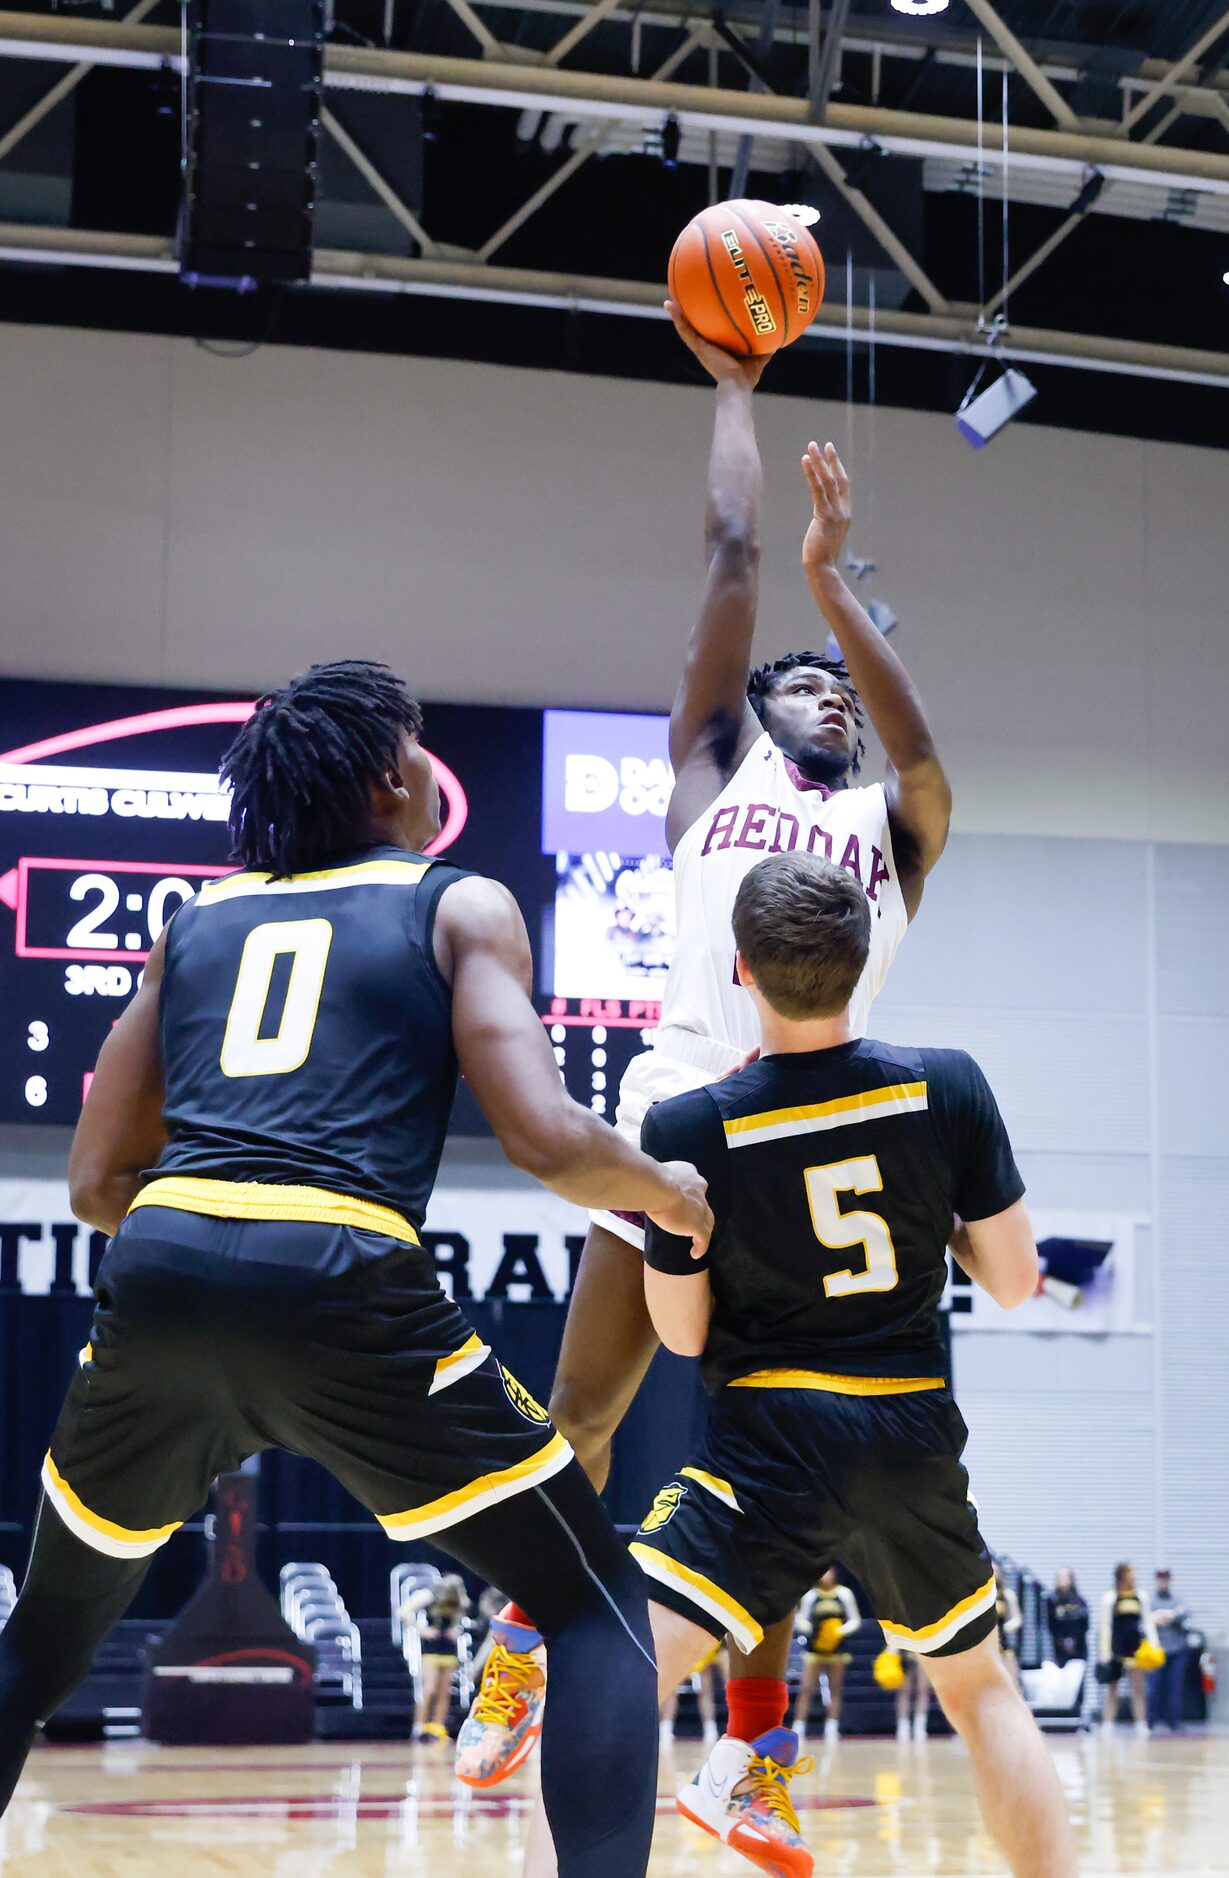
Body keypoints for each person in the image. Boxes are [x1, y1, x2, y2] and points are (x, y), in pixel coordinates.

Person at [0, 661, 708, 1876]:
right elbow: (545, 1140)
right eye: (422, 746)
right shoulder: (459, 903)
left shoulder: (193, 924)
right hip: (345, 1271)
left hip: (160, 1267)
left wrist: (207, 1262)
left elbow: (92, 1185)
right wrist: (666, 1190)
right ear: (394, 777)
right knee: (597, 1610)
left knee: (37, 1650)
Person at [461, 308, 954, 1821]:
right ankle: (519, 1633)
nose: (837, 700)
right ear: (759, 712)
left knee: (785, 1453)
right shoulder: (703, 780)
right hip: (677, 1119)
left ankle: (754, 1754)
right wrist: (735, 395)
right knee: (586, 1414)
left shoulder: (897, 830)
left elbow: (925, 750)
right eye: (811, 684)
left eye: (850, 696)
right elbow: (734, 562)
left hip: (812, 1143)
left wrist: (846, 597)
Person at [626, 850, 1074, 1878]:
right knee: (978, 1690)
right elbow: (1015, 1281)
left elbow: (683, 1334)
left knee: (628, 1673)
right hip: (908, 1429)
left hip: (770, 1437)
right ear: (865, 962)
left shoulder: (691, 1125)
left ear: (739, 971)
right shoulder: (948, 1085)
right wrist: (945, 1228)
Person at [792, 1570, 860, 1742]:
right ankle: (799, 1726)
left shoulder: (844, 1594)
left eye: (830, 1572)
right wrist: (813, 1631)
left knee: (835, 1688)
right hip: (814, 1650)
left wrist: (839, 1631)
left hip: (837, 1650)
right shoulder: (811, 1595)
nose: (827, 1576)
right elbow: (800, 1618)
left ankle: (832, 1726)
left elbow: (855, 1619)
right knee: (806, 1688)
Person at [413, 1576, 470, 1744]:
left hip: (449, 1650)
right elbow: (403, 1611)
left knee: (445, 1691)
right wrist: (422, 1630)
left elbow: (463, 1616)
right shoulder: (431, 1595)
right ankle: (419, 1726)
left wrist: (457, 1629)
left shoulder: (460, 1601)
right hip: (431, 1649)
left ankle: (438, 1727)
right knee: (429, 1688)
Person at [1098, 1564, 1151, 1735]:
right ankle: (1108, 1723)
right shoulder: (1111, 1597)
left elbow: (1147, 1622)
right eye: (1130, 1573)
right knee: (1113, 1689)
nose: (1134, 1576)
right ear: (1121, 1575)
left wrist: (1153, 1644)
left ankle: (1141, 1723)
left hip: (1135, 1647)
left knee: (1138, 1688)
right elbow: (1105, 1626)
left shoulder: (1140, 1596)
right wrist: (1105, 1651)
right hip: (1117, 1647)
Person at [1146, 1570, 1191, 1734]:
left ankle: (1174, 1721)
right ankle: (1150, 1722)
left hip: (1177, 1650)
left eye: (1165, 1579)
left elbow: (1184, 1612)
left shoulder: (1177, 1599)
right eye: (1160, 1579)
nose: (1163, 1582)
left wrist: (1171, 1615)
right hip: (1157, 1651)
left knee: (1175, 1687)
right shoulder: (1150, 1600)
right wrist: (1157, 1617)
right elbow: (1144, 1620)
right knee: (1153, 1688)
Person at [1045, 1570, 1090, 1666]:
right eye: (1060, 1577)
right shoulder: (1052, 1601)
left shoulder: (1079, 1601)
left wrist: (1073, 1639)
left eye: (1065, 1577)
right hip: (1058, 1649)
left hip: (1078, 1647)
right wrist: (1061, 1640)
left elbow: (1084, 1624)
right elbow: (1050, 1625)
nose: (1062, 1580)